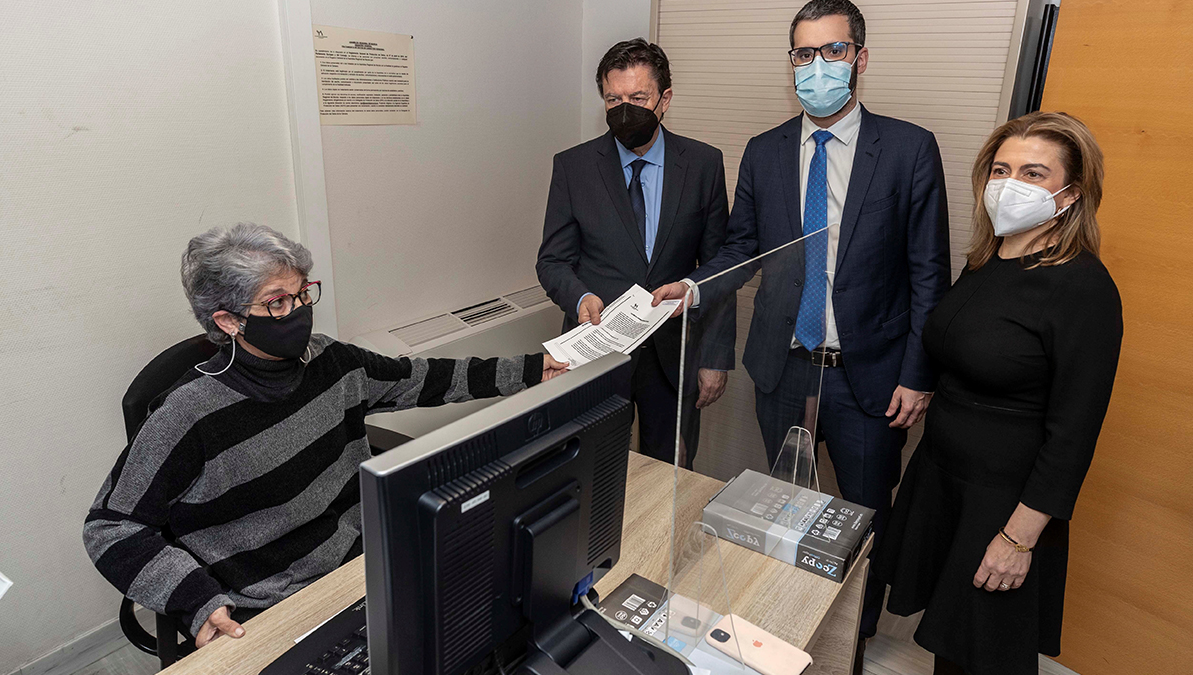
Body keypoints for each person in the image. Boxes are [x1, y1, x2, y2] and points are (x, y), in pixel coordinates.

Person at [83, 223, 567, 648]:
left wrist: (530, 369)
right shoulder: (187, 414)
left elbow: (418, 377)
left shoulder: (329, 361)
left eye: (301, 294)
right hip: (268, 600)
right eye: (277, 303)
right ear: (228, 321)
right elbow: (110, 528)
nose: (298, 312)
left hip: (360, 559)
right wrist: (194, 598)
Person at [651, 0, 951, 654]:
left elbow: (930, 271)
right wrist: (695, 284)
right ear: (791, 63)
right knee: (788, 505)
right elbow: (741, 248)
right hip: (781, 364)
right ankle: (794, 615)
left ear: (860, 58)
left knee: (867, 508)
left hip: (866, 376)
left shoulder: (908, 148)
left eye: (833, 51)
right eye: (803, 54)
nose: (818, 67)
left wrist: (917, 374)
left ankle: (855, 636)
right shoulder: (765, 151)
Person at [874, 112, 1122, 675]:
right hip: (944, 478)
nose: (1011, 184)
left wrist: (1018, 538)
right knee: (951, 645)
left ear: (1071, 193)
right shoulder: (989, 258)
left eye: (1034, 173)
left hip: (1005, 502)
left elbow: (1075, 430)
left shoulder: (1082, 286)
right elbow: (973, 349)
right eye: (1002, 169)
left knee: (985, 653)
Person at [536, 38, 736, 467]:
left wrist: (715, 359)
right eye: (614, 98)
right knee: (591, 472)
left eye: (638, 97)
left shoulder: (703, 164)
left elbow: (720, 266)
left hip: (673, 357)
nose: (625, 108)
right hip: (597, 353)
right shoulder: (573, 167)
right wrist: (579, 297)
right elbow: (552, 260)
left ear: (664, 99)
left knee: (672, 475)